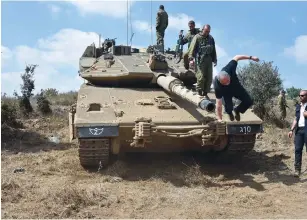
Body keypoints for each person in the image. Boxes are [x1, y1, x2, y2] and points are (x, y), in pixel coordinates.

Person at [214, 55, 259, 121]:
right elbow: (218, 103)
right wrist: (219, 119)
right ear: (220, 81)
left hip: (236, 87)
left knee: (249, 101)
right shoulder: (217, 85)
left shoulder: (230, 67)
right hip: (226, 92)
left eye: (228, 81)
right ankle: (229, 113)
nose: (227, 83)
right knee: (229, 107)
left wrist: (251, 57)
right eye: (225, 83)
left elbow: (237, 57)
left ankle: (237, 110)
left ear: (228, 75)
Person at [187, 24, 217, 97]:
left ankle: (205, 94)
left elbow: (213, 50)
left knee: (209, 78)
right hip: (200, 59)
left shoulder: (211, 38)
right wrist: (191, 59)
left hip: (209, 60)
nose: (207, 33)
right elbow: (191, 48)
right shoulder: (197, 37)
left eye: (208, 31)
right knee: (201, 77)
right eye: (206, 31)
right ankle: (199, 93)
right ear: (202, 29)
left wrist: (215, 59)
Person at [288, 89, 307, 177]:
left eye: (303, 95)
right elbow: (296, 118)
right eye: (300, 95)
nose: (301, 97)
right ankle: (297, 170)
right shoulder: (298, 106)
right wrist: (291, 130)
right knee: (297, 150)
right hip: (299, 131)